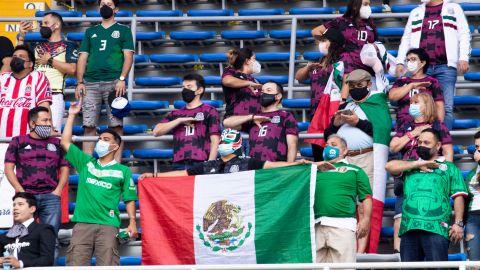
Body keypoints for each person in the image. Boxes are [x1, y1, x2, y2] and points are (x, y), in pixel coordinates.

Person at [61, 100, 138, 266]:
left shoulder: (123, 171)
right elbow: (65, 142)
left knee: (108, 266)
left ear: (115, 146)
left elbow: (130, 198)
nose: (100, 142)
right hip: (82, 223)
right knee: (76, 265)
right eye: (99, 138)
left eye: (105, 139)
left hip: (108, 226)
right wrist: (72, 115)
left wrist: (132, 222)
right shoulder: (86, 163)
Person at [324, 69, 391, 253]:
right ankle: (347, 249)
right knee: (344, 204)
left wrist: (357, 122)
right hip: (343, 159)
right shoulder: (348, 105)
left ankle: (361, 253)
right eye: (351, 86)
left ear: (369, 85)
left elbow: (381, 131)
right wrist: (335, 124)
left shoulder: (377, 103)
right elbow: (327, 135)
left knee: (364, 205)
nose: (354, 89)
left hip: (366, 157)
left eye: (358, 86)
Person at [385, 128, 468, 265]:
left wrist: (458, 223)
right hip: (409, 229)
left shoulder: (449, 168)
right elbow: (389, 166)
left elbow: (458, 196)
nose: (422, 145)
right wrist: (417, 163)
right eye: (420, 142)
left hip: (437, 229)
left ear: (438, 146)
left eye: (427, 142)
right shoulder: (409, 166)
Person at [389, 93, 453, 252]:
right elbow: (394, 147)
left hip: (431, 178)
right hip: (406, 176)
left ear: (427, 105)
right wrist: (413, 133)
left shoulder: (438, 125)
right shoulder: (405, 125)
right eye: (411, 102)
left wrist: (445, 175)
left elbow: (448, 152)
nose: (412, 105)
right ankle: (400, 256)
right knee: (399, 218)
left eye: (416, 102)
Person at [395, 0, 471, 130]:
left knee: (446, 107)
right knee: (418, 105)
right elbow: (406, 38)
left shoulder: (454, 8)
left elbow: (464, 33)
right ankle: (420, 145)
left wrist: (463, 57)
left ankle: (443, 144)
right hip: (421, 67)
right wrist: (400, 62)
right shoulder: (416, 12)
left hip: (446, 66)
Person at [75, 0, 134, 161]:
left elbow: (128, 56)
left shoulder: (123, 30)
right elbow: (83, 57)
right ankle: (86, 167)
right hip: (90, 83)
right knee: (88, 125)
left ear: (116, 9)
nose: (105, 7)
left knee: (116, 126)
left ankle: (115, 164)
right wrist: (80, 81)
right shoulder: (91, 31)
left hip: (114, 83)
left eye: (109, 4)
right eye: (102, 4)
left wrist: (122, 79)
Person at [139, 128, 306, 179]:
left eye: (225, 142)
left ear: (236, 144)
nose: (221, 144)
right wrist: (154, 175)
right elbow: (183, 173)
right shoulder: (209, 165)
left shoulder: (248, 163)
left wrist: (297, 163)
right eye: (220, 142)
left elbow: (273, 165)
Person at [4, 106, 69, 236]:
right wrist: (21, 191)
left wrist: (57, 192)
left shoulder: (57, 143)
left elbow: (65, 168)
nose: (49, 124)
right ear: (33, 123)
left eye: (50, 120)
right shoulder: (18, 141)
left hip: (51, 197)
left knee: (50, 239)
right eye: (45, 120)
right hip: (26, 195)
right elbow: (8, 169)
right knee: (21, 239)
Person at [313, 134, 372, 264]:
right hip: (315, 227)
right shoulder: (313, 170)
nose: (328, 148)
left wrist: (366, 219)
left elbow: (366, 197)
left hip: (343, 227)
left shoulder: (355, 170)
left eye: (334, 145)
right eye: (327, 145)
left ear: (345, 151)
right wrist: (315, 165)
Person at [17, 12, 78, 133]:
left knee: (51, 135)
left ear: (56, 25)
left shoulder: (69, 45)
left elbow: (72, 69)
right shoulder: (36, 45)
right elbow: (18, 61)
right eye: (41, 23)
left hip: (54, 95)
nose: (42, 26)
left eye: (45, 23)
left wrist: (49, 60)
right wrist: (22, 36)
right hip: (32, 95)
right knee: (27, 133)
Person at [295, 27, 345, 161]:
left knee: (337, 157)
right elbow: (298, 77)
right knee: (319, 159)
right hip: (317, 115)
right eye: (320, 41)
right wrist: (307, 68)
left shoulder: (342, 62)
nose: (321, 44)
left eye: (324, 40)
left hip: (336, 115)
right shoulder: (317, 61)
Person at [312, 0, 378, 100]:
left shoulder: (371, 25)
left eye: (369, 4)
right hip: (346, 65)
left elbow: (374, 44)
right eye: (365, 4)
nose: (368, 7)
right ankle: (343, 100)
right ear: (355, 6)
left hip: (366, 71)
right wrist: (330, 45)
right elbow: (316, 31)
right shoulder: (341, 21)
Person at [153, 74, 221, 169]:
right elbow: (156, 131)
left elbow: (215, 141)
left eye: (189, 87)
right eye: (183, 87)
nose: (185, 90)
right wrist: (179, 120)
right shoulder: (176, 114)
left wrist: (210, 163)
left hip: (201, 162)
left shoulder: (210, 111)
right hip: (178, 162)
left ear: (200, 90)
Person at [223, 81, 298, 162]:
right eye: (262, 91)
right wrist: (251, 117)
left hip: (277, 167)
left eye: (268, 90)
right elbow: (226, 123)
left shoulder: (286, 116)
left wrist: (289, 167)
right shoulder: (253, 117)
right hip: (255, 169)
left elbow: (292, 145)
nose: (263, 93)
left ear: (278, 96)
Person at [0, 45, 51, 138]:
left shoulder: (38, 76)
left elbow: (44, 105)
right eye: (14, 57)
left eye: (21, 57)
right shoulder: (2, 77)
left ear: (30, 64)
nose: (16, 59)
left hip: (26, 139)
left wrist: (48, 128)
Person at [389, 48, 444, 128]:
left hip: (426, 126)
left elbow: (439, 105)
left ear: (422, 63)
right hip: (404, 125)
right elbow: (392, 97)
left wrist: (440, 127)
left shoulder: (432, 82)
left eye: (413, 59)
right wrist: (411, 85)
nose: (409, 63)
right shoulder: (401, 81)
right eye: (408, 60)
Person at [0, 192, 55, 268]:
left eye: (20, 204)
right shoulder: (4, 236)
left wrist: (20, 263)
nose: (15, 208)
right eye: (14, 205)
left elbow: (47, 260)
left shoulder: (44, 230)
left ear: (32, 209)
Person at [221, 47, 262, 119]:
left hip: (253, 124)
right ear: (247, 61)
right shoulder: (231, 72)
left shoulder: (255, 80)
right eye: (254, 59)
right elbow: (227, 81)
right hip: (235, 123)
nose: (256, 62)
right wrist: (249, 83)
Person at [465, 131, 480, 267]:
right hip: (473, 218)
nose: (478, 150)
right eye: (477, 147)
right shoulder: (471, 174)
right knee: (475, 264)